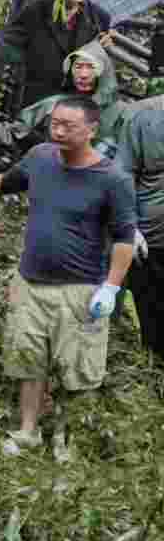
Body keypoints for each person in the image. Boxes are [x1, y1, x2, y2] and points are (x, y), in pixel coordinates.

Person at [0, 95, 137, 462]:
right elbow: (9, 181)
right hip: (30, 282)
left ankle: (65, 439)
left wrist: (110, 286)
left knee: (74, 369)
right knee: (28, 359)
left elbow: (125, 236)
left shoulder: (112, 179)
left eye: (68, 126)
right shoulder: (41, 157)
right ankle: (28, 430)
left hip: (79, 289)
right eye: (54, 123)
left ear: (92, 129)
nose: (58, 131)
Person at [0, 0, 116, 113]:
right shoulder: (36, 11)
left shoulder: (99, 18)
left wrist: (105, 50)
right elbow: (7, 43)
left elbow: (99, 68)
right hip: (35, 101)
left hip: (76, 103)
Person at [113, 101, 164, 356]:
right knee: (154, 323)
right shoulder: (143, 115)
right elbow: (122, 174)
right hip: (151, 239)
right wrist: (128, 227)